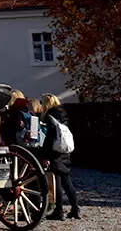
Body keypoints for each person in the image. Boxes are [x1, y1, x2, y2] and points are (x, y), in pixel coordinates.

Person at [40, 93, 79, 221]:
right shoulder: (63, 115)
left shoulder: (50, 117)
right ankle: (75, 208)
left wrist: (45, 155)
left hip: (54, 152)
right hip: (64, 150)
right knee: (67, 181)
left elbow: (50, 139)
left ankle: (59, 211)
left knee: (57, 182)